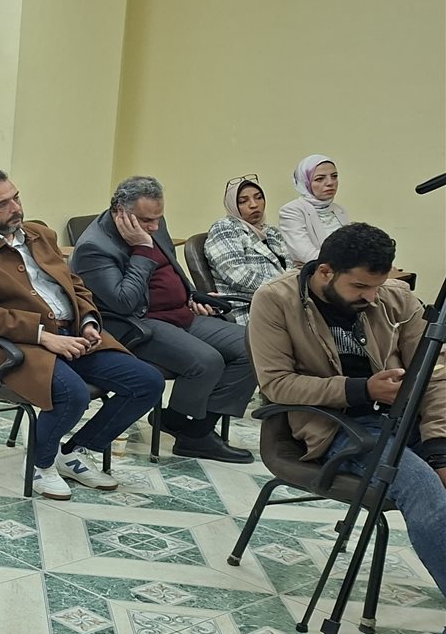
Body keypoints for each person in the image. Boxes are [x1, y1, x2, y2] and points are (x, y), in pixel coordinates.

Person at [248, 223, 446, 634]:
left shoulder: (394, 298)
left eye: (377, 286)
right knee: (421, 488)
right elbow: (276, 384)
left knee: (436, 472)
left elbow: (435, 372)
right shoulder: (275, 300)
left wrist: (439, 446)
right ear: (325, 272)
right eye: (359, 287)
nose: (371, 297)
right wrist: (362, 389)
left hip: (407, 417)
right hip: (336, 424)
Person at [0, 169, 165, 499]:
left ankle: (75, 453)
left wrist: (88, 321)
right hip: (15, 347)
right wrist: (44, 336)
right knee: (72, 393)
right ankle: (39, 463)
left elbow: (75, 286)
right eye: (2, 204)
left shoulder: (39, 234)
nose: (15, 208)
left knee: (147, 383)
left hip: (72, 335)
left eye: (16, 197)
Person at [69, 175, 257, 463]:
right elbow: (123, 302)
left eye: (158, 218)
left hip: (181, 313)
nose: (155, 227)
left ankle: (191, 429)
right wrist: (142, 249)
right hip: (138, 324)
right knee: (207, 361)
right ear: (120, 212)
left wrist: (191, 295)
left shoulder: (154, 223)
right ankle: (190, 428)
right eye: (146, 221)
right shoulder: (93, 247)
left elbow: (171, 266)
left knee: (254, 346)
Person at [204, 174, 292, 324]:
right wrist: (283, 288)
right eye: (243, 201)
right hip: (251, 309)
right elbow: (238, 276)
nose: (254, 205)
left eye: (259, 198)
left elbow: (291, 264)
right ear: (232, 205)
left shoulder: (271, 232)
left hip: (285, 301)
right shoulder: (224, 228)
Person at [278, 154, 350, 265]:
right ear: (305, 182)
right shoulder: (291, 211)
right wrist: (348, 266)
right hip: (314, 271)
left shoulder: (339, 210)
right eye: (320, 179)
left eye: (334, 176)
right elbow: (306, 254)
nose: (330, 183)